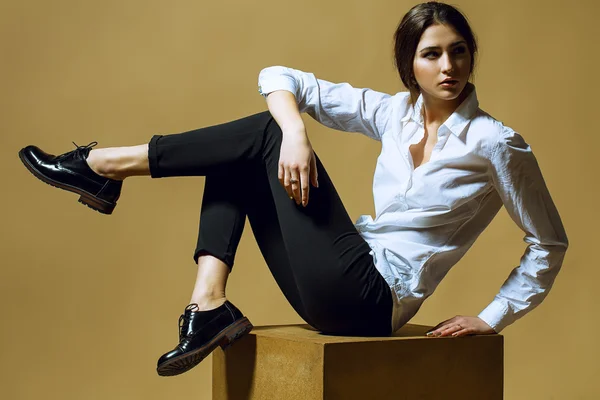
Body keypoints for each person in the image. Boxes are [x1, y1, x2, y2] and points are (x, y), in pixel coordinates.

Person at [17, 1, 568, 378]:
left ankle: (103, 165)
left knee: (260, 134)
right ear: (410, 64)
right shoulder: (392, 113)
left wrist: (492, 317)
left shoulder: (497, 142)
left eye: (459, 52)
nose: (448, 66)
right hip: (330, 291)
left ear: (471, 56)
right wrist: (298, 131)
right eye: (432, 54)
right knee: (250, 148)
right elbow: (279, 75)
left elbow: (548, 242)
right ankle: (207, 303)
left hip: (373, 300)